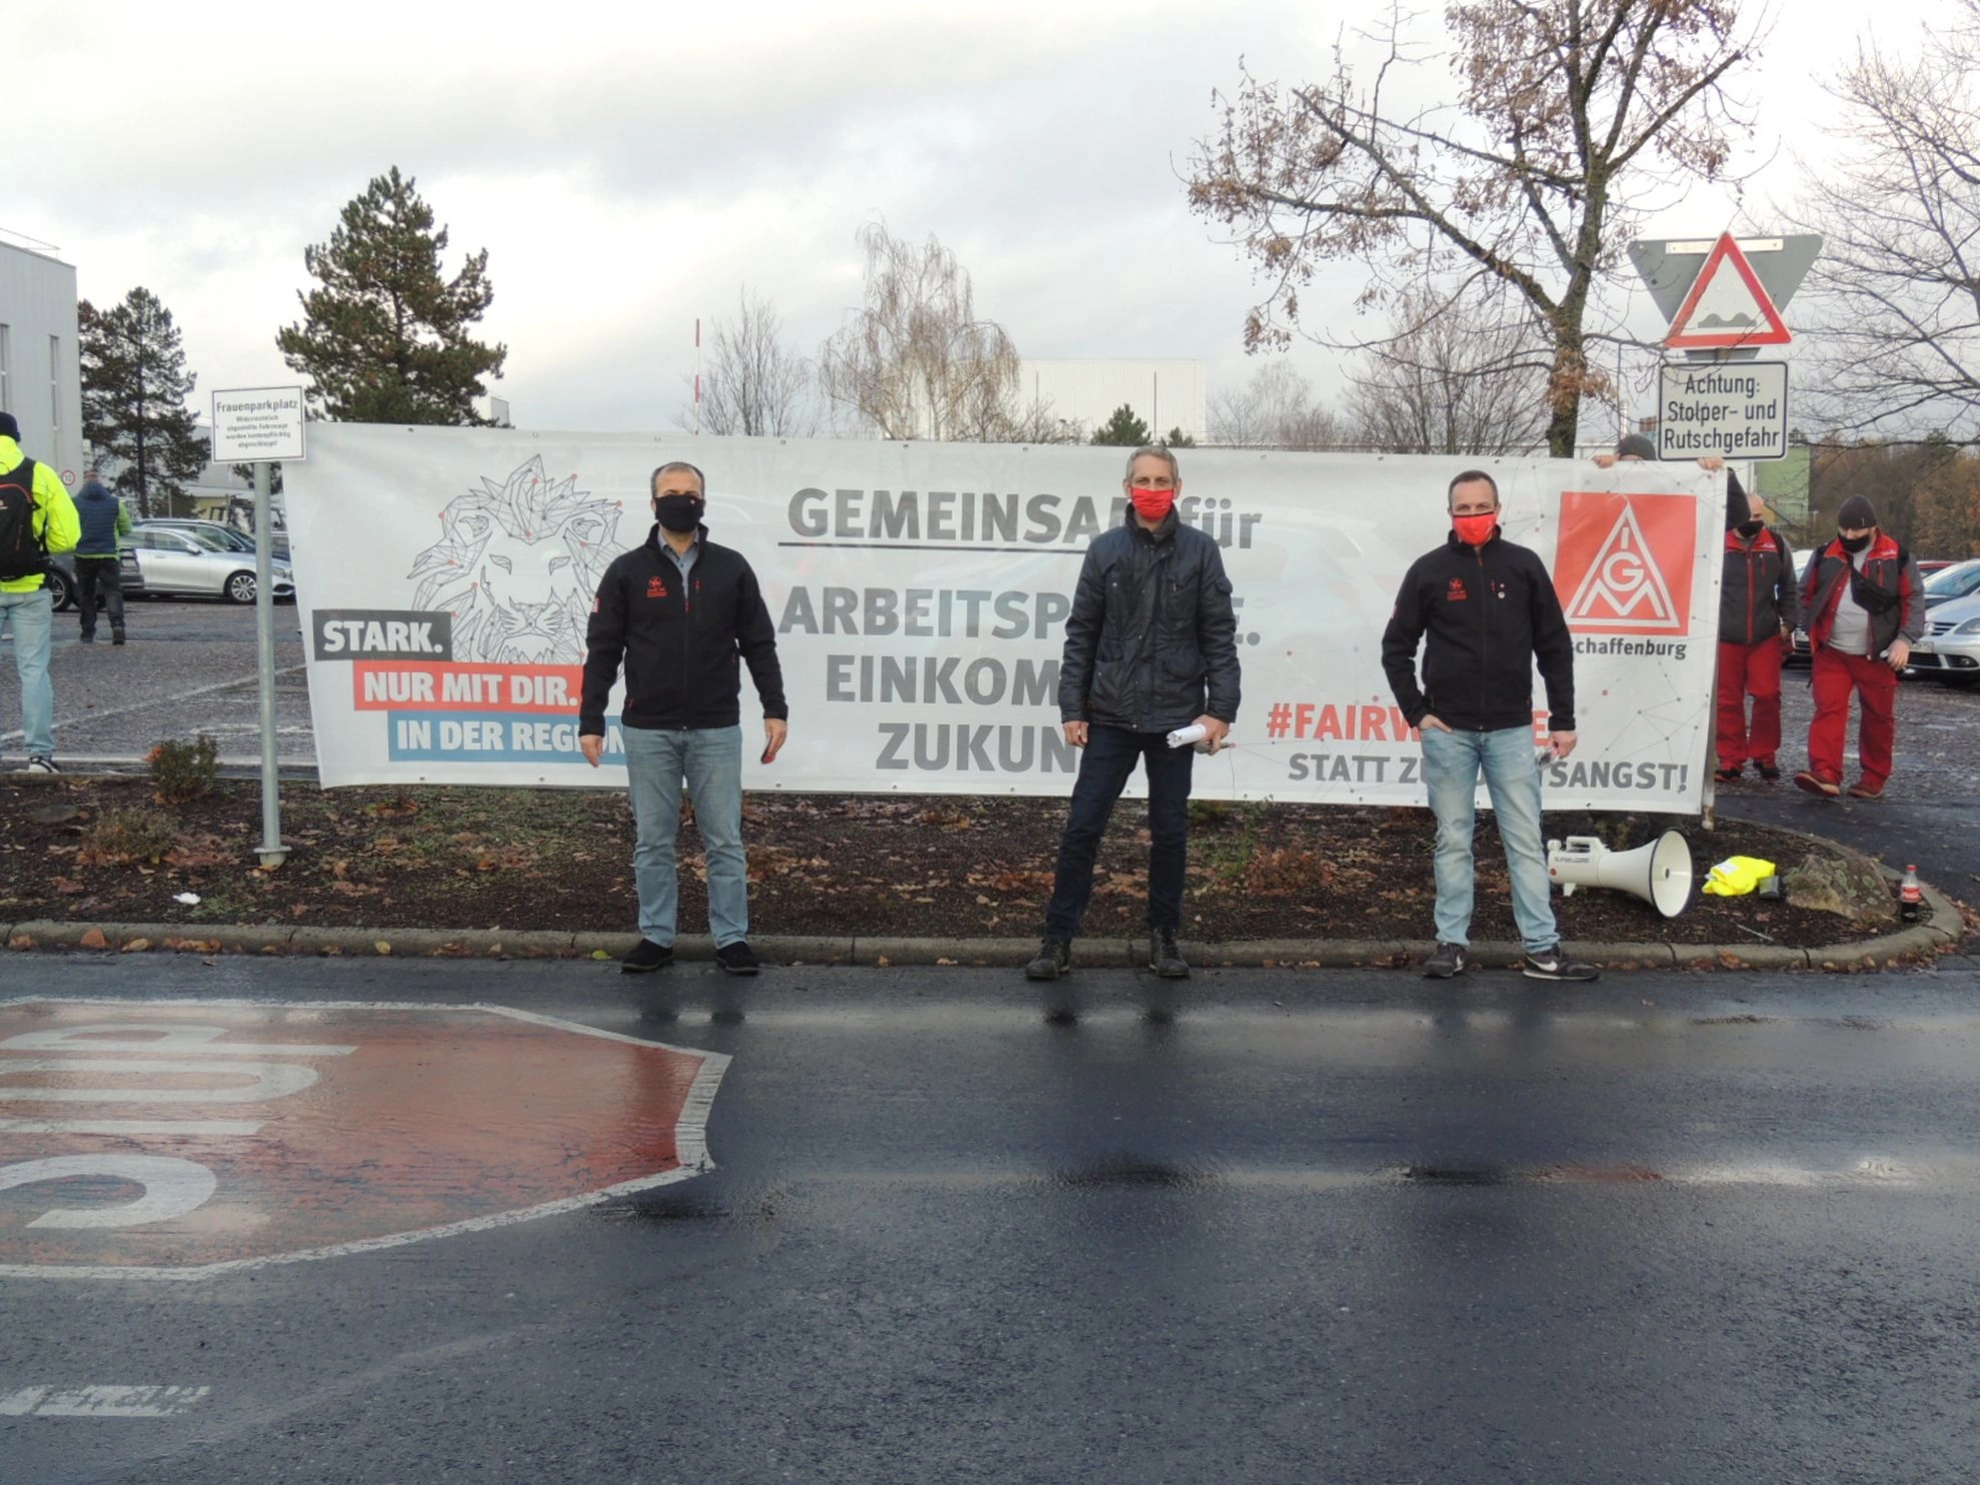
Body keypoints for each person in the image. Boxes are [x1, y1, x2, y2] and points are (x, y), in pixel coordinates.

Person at [1025, 446, 1240, 983]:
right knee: (1082, 829)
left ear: (1178, 487)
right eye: (1142, 479)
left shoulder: (1201, 551)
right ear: (1127, 488)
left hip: (1175, 719)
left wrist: (1221, 711)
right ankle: (1057, 940)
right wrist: (1072, 707)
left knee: (1170, 833)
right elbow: (1082, 634)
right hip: (1112, 717)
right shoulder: (1105, 551)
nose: (1152, 487)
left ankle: (1164, 937)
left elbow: (1219, 636)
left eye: (1161, 479)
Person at [1380, 469, 1598, 982]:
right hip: (1448, 733)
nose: (1473, 517)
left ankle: (1542, 949)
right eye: (1464, 509)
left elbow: (1554, 647)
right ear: (1449, 513)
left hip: (1511, 731)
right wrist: (1418, 712)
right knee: (1453, 839)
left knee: (1524, 838)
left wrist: (1563, 719)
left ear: (1498, 510)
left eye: (1482, 507)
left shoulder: (1522, 567)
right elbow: (1396, 648)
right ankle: (1451, 944)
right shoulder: (1428, 572)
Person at [579, 462, 788, 975]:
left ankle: (732, 939)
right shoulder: (627, 571)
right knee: (653, 840)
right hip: (648, 728)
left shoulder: (731, 568)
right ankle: (656, 937)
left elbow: (759, 644)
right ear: (653, 505)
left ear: (703, 502)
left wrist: (774, 708)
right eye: (670, 493)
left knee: (725, 840)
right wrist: (591, 718)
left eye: (689, 493)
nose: (681, 501)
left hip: (716, 727)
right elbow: (603, 649)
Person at [1793, 494, 1922, 801]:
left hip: (1878, 655)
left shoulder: (1898, 556)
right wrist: (1808, 627)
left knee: (1879, 717)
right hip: (1832, 651)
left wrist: (1904, 640)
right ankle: (1825, 773)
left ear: (1873, 528)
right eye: (1844, 529)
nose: (1849, 536)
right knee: (1829, 709)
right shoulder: (1825, 553)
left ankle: (1874, 777)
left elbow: (1913, 600)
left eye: (1856, 531)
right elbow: (1803, 593)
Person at [0, 412, 80, 774]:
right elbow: (68, 537)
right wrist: (40, 543)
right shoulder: (40, 473)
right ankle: (39, 757)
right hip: (30, 586)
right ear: (16, 438)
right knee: (33, 671)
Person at [1714, 502, 1799, 783]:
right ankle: (1730, 758)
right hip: (1726, 635)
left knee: (1767, 696)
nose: (1756, 521)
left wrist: (1788, 623)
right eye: (1751, 516)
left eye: (1760, 517)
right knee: (1727, 701)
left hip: (1765, 635)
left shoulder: (1775, 543)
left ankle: (1765, 754)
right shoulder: (1718, 543)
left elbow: (1789, 586)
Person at [1595, 431, 1753, 529]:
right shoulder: (1605, 506)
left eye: (1641, 464)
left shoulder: (1672, 509)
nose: (1634, 472)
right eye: (1627, 465)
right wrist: (1596, 473)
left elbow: (1738, 515)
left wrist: (1723, 476)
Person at [72, 466, 131, 644]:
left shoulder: (74, 503)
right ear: (100, 481)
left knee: (86, 594)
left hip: (83, 554)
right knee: (112, 592)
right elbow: (127, 528)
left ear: (85, 482)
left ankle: (87, 632)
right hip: (109, 555)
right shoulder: (115, 503)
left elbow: (68, 526)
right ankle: (117, 626)